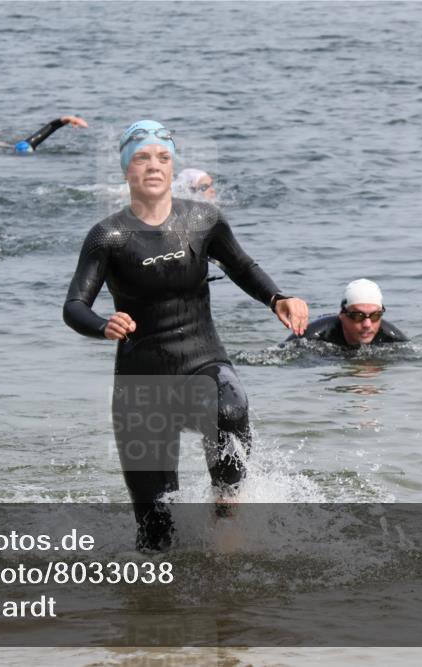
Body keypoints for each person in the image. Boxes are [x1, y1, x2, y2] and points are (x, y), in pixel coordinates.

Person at [63, 120, 308, 551]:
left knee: (230, 406)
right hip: (141, 384)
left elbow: (242, 266)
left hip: (201, 358)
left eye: (163, 157)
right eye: (141, 158)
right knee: (156, 534)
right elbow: (74, 306)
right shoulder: (109, 236)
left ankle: (226, 516)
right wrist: (103, 324)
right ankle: (155, 610)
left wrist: (277, 298)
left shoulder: (202, 220)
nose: (153, 166)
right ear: (126, 171)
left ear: (173, 167)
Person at [282, 279, 407, 348]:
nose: (367, 324)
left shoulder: (393, 338)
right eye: (358, 316)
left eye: (375, 316)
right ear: (342, 314)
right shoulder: (313, 335)